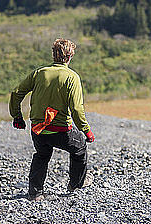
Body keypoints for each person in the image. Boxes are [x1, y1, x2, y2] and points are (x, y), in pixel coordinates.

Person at [9, 38, 95, 200]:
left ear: (53, 55)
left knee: (42, 154)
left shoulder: (39, 73)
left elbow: (16, 93)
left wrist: (17, 117)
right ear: (70, 57)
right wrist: (86, 130)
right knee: (79, 148)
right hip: (61, 130)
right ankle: (76, 184)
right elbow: (76, 109)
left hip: (38, 130)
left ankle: (35, 193)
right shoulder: (71, 77)